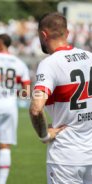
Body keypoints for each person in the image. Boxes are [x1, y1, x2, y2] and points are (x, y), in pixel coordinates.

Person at [29, 12, 92, 184]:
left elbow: (36, 109)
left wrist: (44, 135)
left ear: (43, 35)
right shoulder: (89, 57)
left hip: (66, 156)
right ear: (68, 33)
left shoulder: (49, 64)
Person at [0, 34, 31, 184]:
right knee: (5, 145)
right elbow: (26, 91)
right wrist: (11, 93)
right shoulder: (20, 63)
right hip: (9, 106)